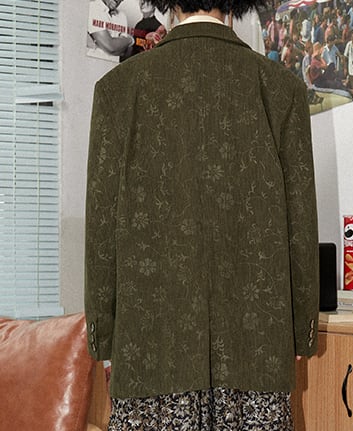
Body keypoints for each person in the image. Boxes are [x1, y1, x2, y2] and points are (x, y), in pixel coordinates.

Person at [85, 0, 320, 430]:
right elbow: (300, 227)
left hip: (150, 352)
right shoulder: (281, 88)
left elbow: (101, 229)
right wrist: (300, 328)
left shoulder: (118, 89)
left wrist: (104, 335)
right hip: (257, 353)